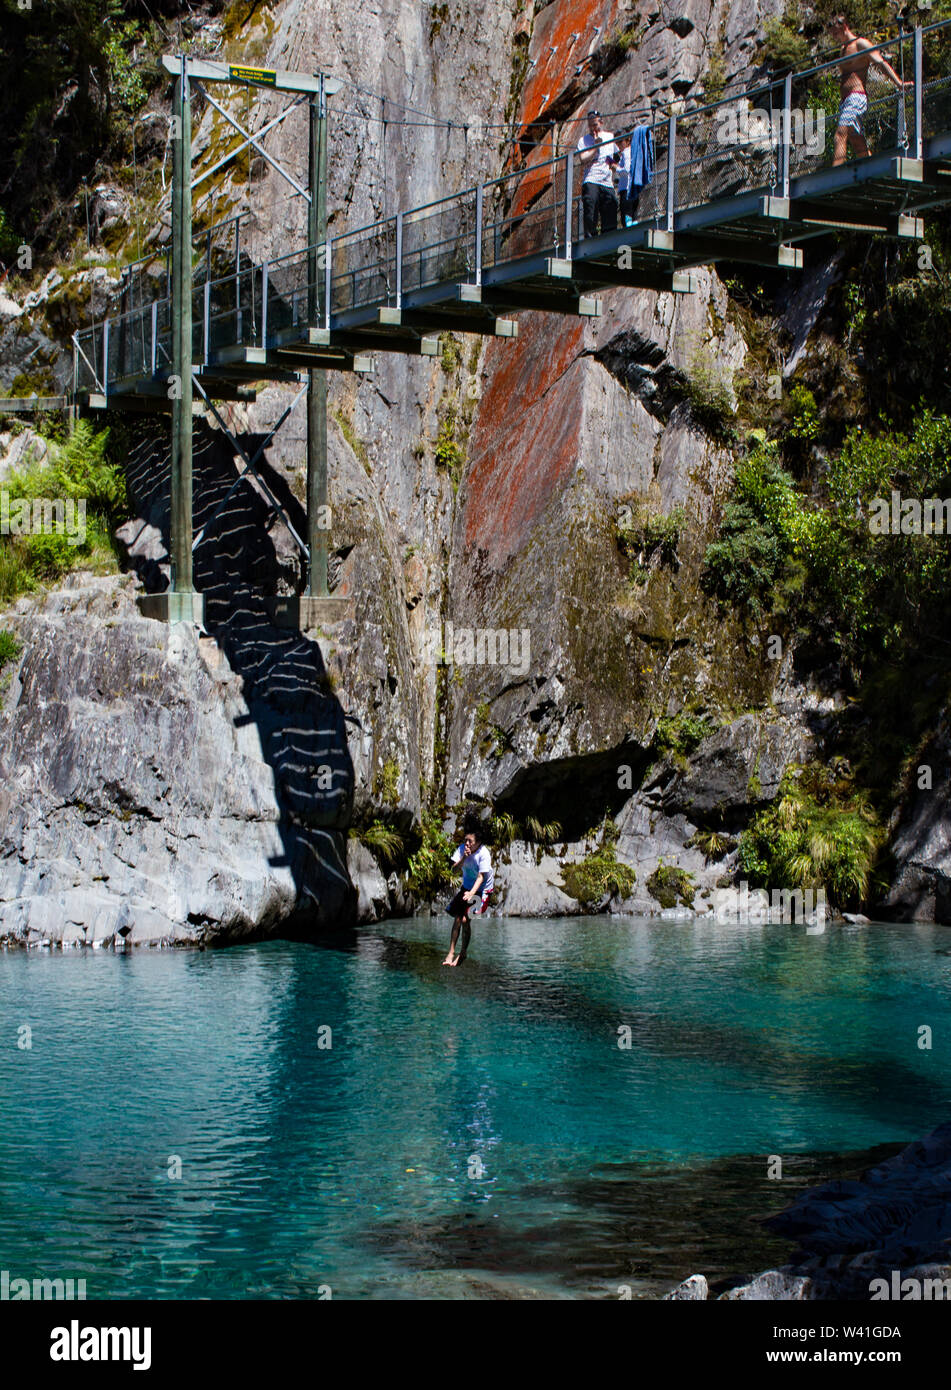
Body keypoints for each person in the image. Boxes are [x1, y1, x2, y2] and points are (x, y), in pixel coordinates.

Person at [829, 15, 909, 166]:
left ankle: (835, 174)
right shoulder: (842, 49)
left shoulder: (860, 44)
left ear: (844, 26)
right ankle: (871, 166)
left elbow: (880, 62)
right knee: (856, 139)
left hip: (856, 97)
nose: (834, 36)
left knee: (840, 135)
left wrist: (899, 83)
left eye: (835, 32)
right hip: (845, 101)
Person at [442, 829, 494, 967]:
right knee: (458, 917)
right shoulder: (461, 849)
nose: (467, 843)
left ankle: (463, 952)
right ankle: (451, 952)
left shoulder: (484, 854)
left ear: (478, 843)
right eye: (465, 840)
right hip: (466, 887)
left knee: (465, 919)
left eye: (470, 841)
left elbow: (481, 877)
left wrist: (472, 893)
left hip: (482, 890)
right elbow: (453, 870)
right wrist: (463, 858)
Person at [577, 110, 619, 238]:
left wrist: (614, 165)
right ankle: (591, 238)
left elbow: (617, 155)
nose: (592, 128)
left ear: (601, 122)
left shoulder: (610, 137)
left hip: (606, 181)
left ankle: (609, 238)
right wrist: (595, 147)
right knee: (591, 206)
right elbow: (583, 159)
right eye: (590, 125)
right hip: (591, 178)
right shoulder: (583, 140)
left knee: (610, 206)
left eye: (595, 124)